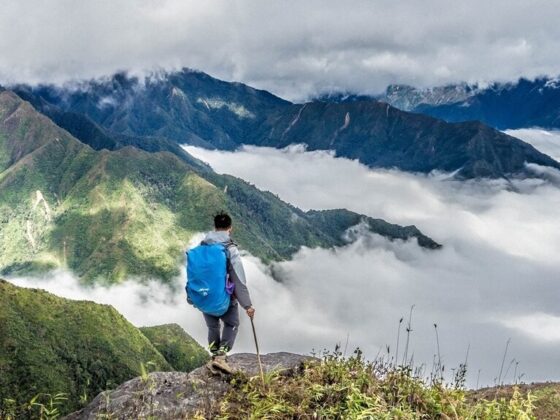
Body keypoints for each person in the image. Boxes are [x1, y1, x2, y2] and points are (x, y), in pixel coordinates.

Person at [187, 211, 255, 373]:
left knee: (213, 327)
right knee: (232, 324)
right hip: (224, 300)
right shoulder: (229, 250)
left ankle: (213, 353)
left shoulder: (200, 249)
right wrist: (248, 305)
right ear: (230, 229)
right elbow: (238, 280)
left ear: (215, 227)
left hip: (203, 298)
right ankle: (221, 357)